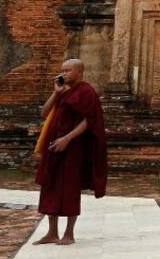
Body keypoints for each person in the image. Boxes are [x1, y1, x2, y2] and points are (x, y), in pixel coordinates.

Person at [33, 58, 108, 245]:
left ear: (80, 72)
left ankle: (69, 233)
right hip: (54, 145)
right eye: (62, 70)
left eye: (68, 70)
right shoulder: (63, 92)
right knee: (50, 184)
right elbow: (44, 112)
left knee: (69, 188)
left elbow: (89, 120)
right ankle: (52, 232)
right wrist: (55, 94)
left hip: (73, 147)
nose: (63, 73)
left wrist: (66, 139)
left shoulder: (86, 92)